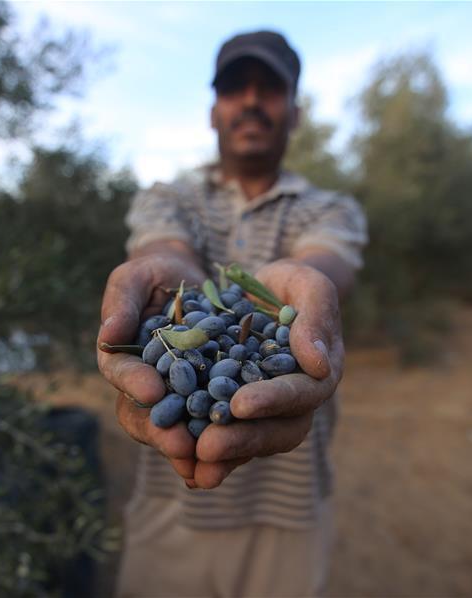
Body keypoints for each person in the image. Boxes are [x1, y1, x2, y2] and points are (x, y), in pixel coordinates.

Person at [96, 30, 367, 597]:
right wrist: (165, 263)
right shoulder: (170, 198)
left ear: (294, 111)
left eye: (269, 88)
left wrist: (312, 287)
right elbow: (162, 247)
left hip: (286, 513)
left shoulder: (328, 208)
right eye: (234, 88)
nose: (250, 100)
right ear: (212, 109)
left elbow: (326, 265)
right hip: (169, 508)